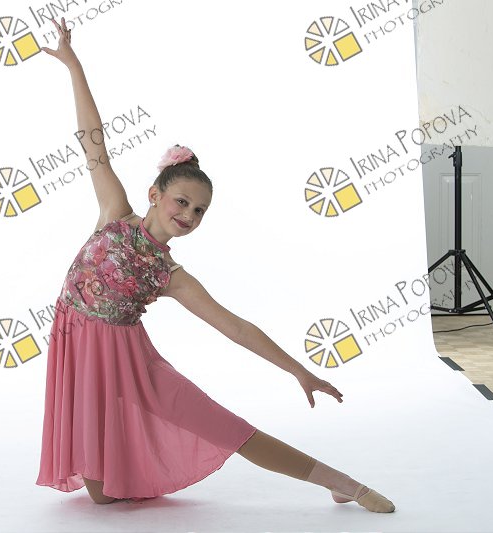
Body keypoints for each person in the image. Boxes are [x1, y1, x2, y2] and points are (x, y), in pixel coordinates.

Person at [34, 17, 395, 514]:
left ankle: (343, 482)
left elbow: (236, 328)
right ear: (154, 195)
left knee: (226, 427)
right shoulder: (114, 213)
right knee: (101, 496)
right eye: (181, 202)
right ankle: (138, 453)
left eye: (199, 211)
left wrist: (298, 371)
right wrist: (74, 66)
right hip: (78, 348)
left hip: (128, 361)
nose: (189, 215)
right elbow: (92, 142)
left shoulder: (170, 276)